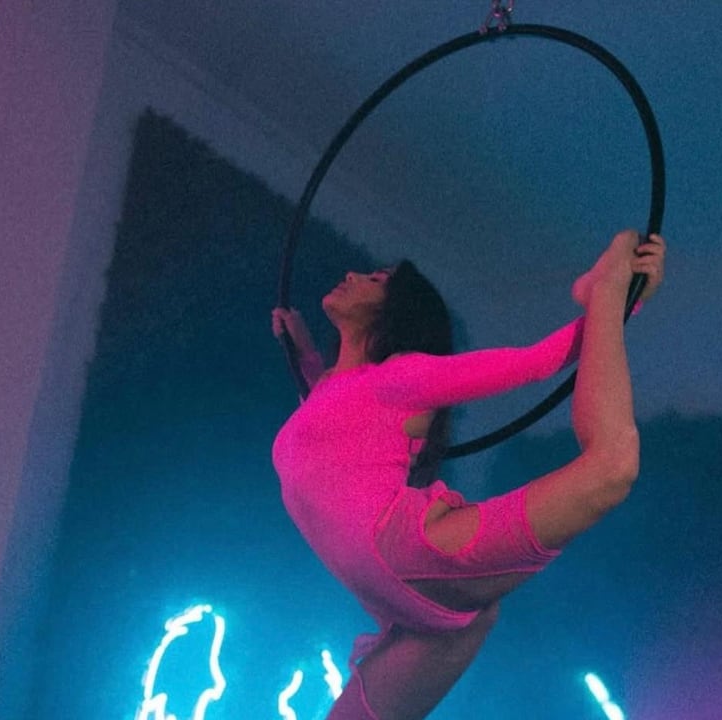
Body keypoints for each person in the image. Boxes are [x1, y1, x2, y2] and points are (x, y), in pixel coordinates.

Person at [271, 230, 665, 720]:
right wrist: (305, 353)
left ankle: (602, 285)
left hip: (419, 555)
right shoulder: (331, 389)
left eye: (376, 279)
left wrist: (619, 299)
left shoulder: (403, 377)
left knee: (612, 467)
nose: (352, 274)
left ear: (397, 311)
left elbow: (538, 361)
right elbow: (329, 433)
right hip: (402, 606)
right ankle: (607, 293)